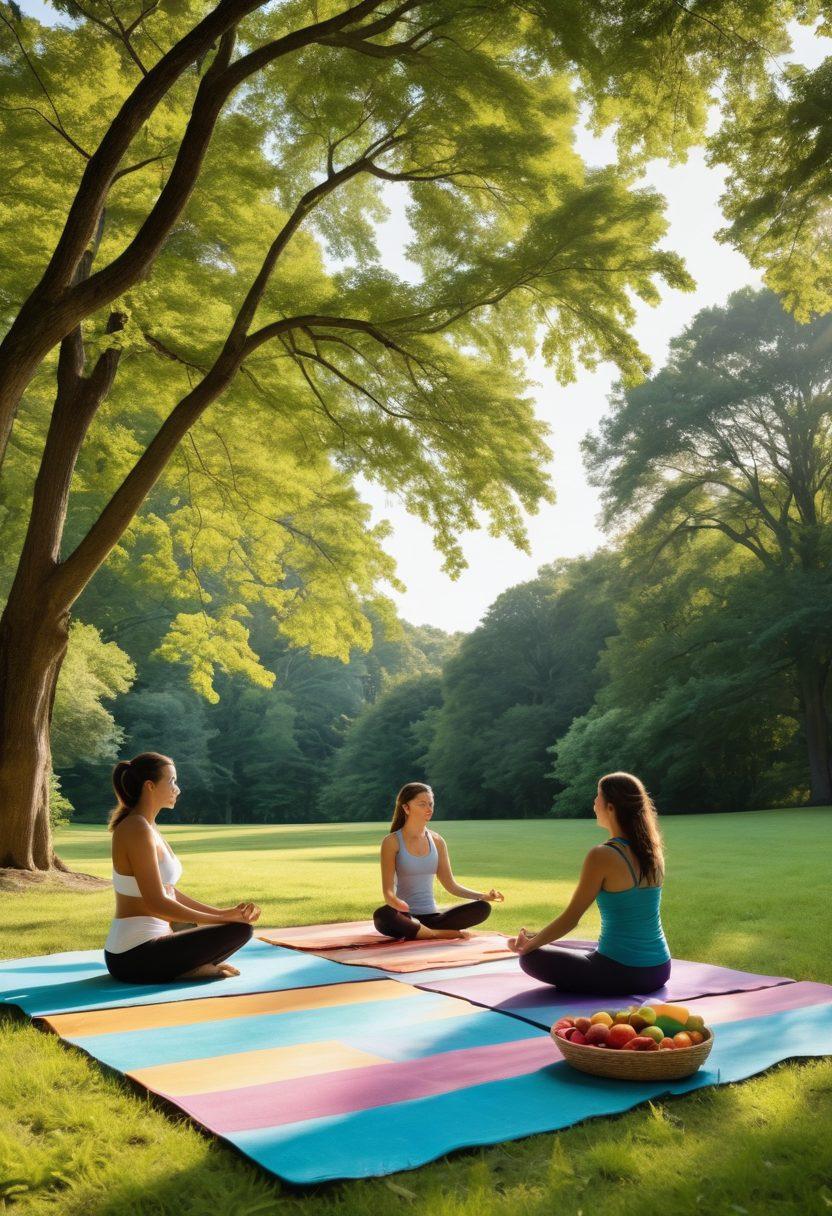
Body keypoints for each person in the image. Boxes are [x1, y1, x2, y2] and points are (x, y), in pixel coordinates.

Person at [508, 771, 671, 996]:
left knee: (531, 959)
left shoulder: (603, 855)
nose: (594, 803)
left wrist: (528, 946)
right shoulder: (653, 852)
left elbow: (571, 918)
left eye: (598, 796)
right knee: (580, 948)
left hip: (623, 974)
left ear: (611, 808)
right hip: (660, 969)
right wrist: (537, 937)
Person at [104, 752, 261, 983]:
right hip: (132, 955)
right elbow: (156, 902)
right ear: (149, 786)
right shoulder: (135, 828)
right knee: (239, 931)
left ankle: (190, 966)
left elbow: (170, 892)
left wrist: (224, 913)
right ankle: (188, 968)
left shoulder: (148, 826)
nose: (177, 789)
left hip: (152, 947)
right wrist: (219, 920)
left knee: (237, 927)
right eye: (171, 781)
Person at [372, 782, 505, 940]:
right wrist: (396, 902)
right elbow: (387, 891)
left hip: (433, 918)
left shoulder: (437, 841)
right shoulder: (392, 842)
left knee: (482, 908)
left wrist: (482, 896)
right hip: (404, 916)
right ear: (406, 808)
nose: (429, 809)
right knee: (383, 915)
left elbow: (451, 885)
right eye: (422, 804)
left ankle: (424, 932)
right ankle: (436, 934)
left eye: (430, 804)